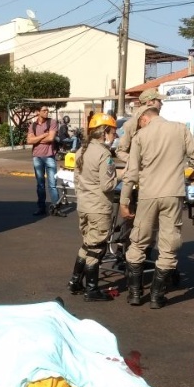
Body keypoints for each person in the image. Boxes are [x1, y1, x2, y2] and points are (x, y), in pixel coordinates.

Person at [119, 107, 194, 309]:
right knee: (169, 245)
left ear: (144, 118)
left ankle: (134, 293)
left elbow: (131, 173)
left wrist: (124, 202)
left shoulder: (141, 136)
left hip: (147, 195)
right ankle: (156, 296)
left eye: (138, 121)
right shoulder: (180, 129)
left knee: (138, 242)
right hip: (173, 194)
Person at [67, 114, 119, 302]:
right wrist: (120, 176)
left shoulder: (81, 150)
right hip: (99, 207)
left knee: (88, 243)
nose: (115, 136)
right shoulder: (104, 154)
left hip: (84, 205)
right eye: (113, 132)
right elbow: (107, 186)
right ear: (105, 132)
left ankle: (75, 281)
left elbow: (76, 180)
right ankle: (92, 289)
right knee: (97, 248)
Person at [116, 88, 165, 163]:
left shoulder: (160, 121)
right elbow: (120, 152)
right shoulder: (130, 125)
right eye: (159, 101)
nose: (161, 104)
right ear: (149, 102)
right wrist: (137, 162)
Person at [26, 105, 59, 215]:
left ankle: (55, 208)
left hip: (49, 156)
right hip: (37, 157)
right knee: (40, 184)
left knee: (52, 184)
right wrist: (44, 135)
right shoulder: (33, 125)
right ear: (37, 112)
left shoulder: (52, 122)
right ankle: (41, 208)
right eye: (44, 110)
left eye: (47, 110)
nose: (46, 112)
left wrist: (37, 139)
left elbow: (51, 138)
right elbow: (29, 141)